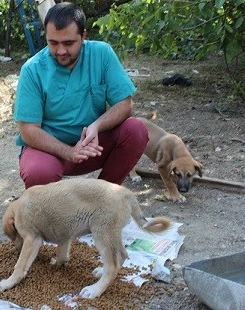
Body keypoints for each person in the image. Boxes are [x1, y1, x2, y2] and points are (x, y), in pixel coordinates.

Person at [14, 2, 148, 189]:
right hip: (50, 151)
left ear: (83, 36)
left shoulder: (102, 53)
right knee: (39, 173)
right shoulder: (32, 69)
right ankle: (50, 211)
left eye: (68, 43)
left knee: (136, 130)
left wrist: (97, 126)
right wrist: (69, 152)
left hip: (93, 146)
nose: (60, 51)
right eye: (53, 43)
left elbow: (125, 104)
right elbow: (28, 130)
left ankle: (102, 197)